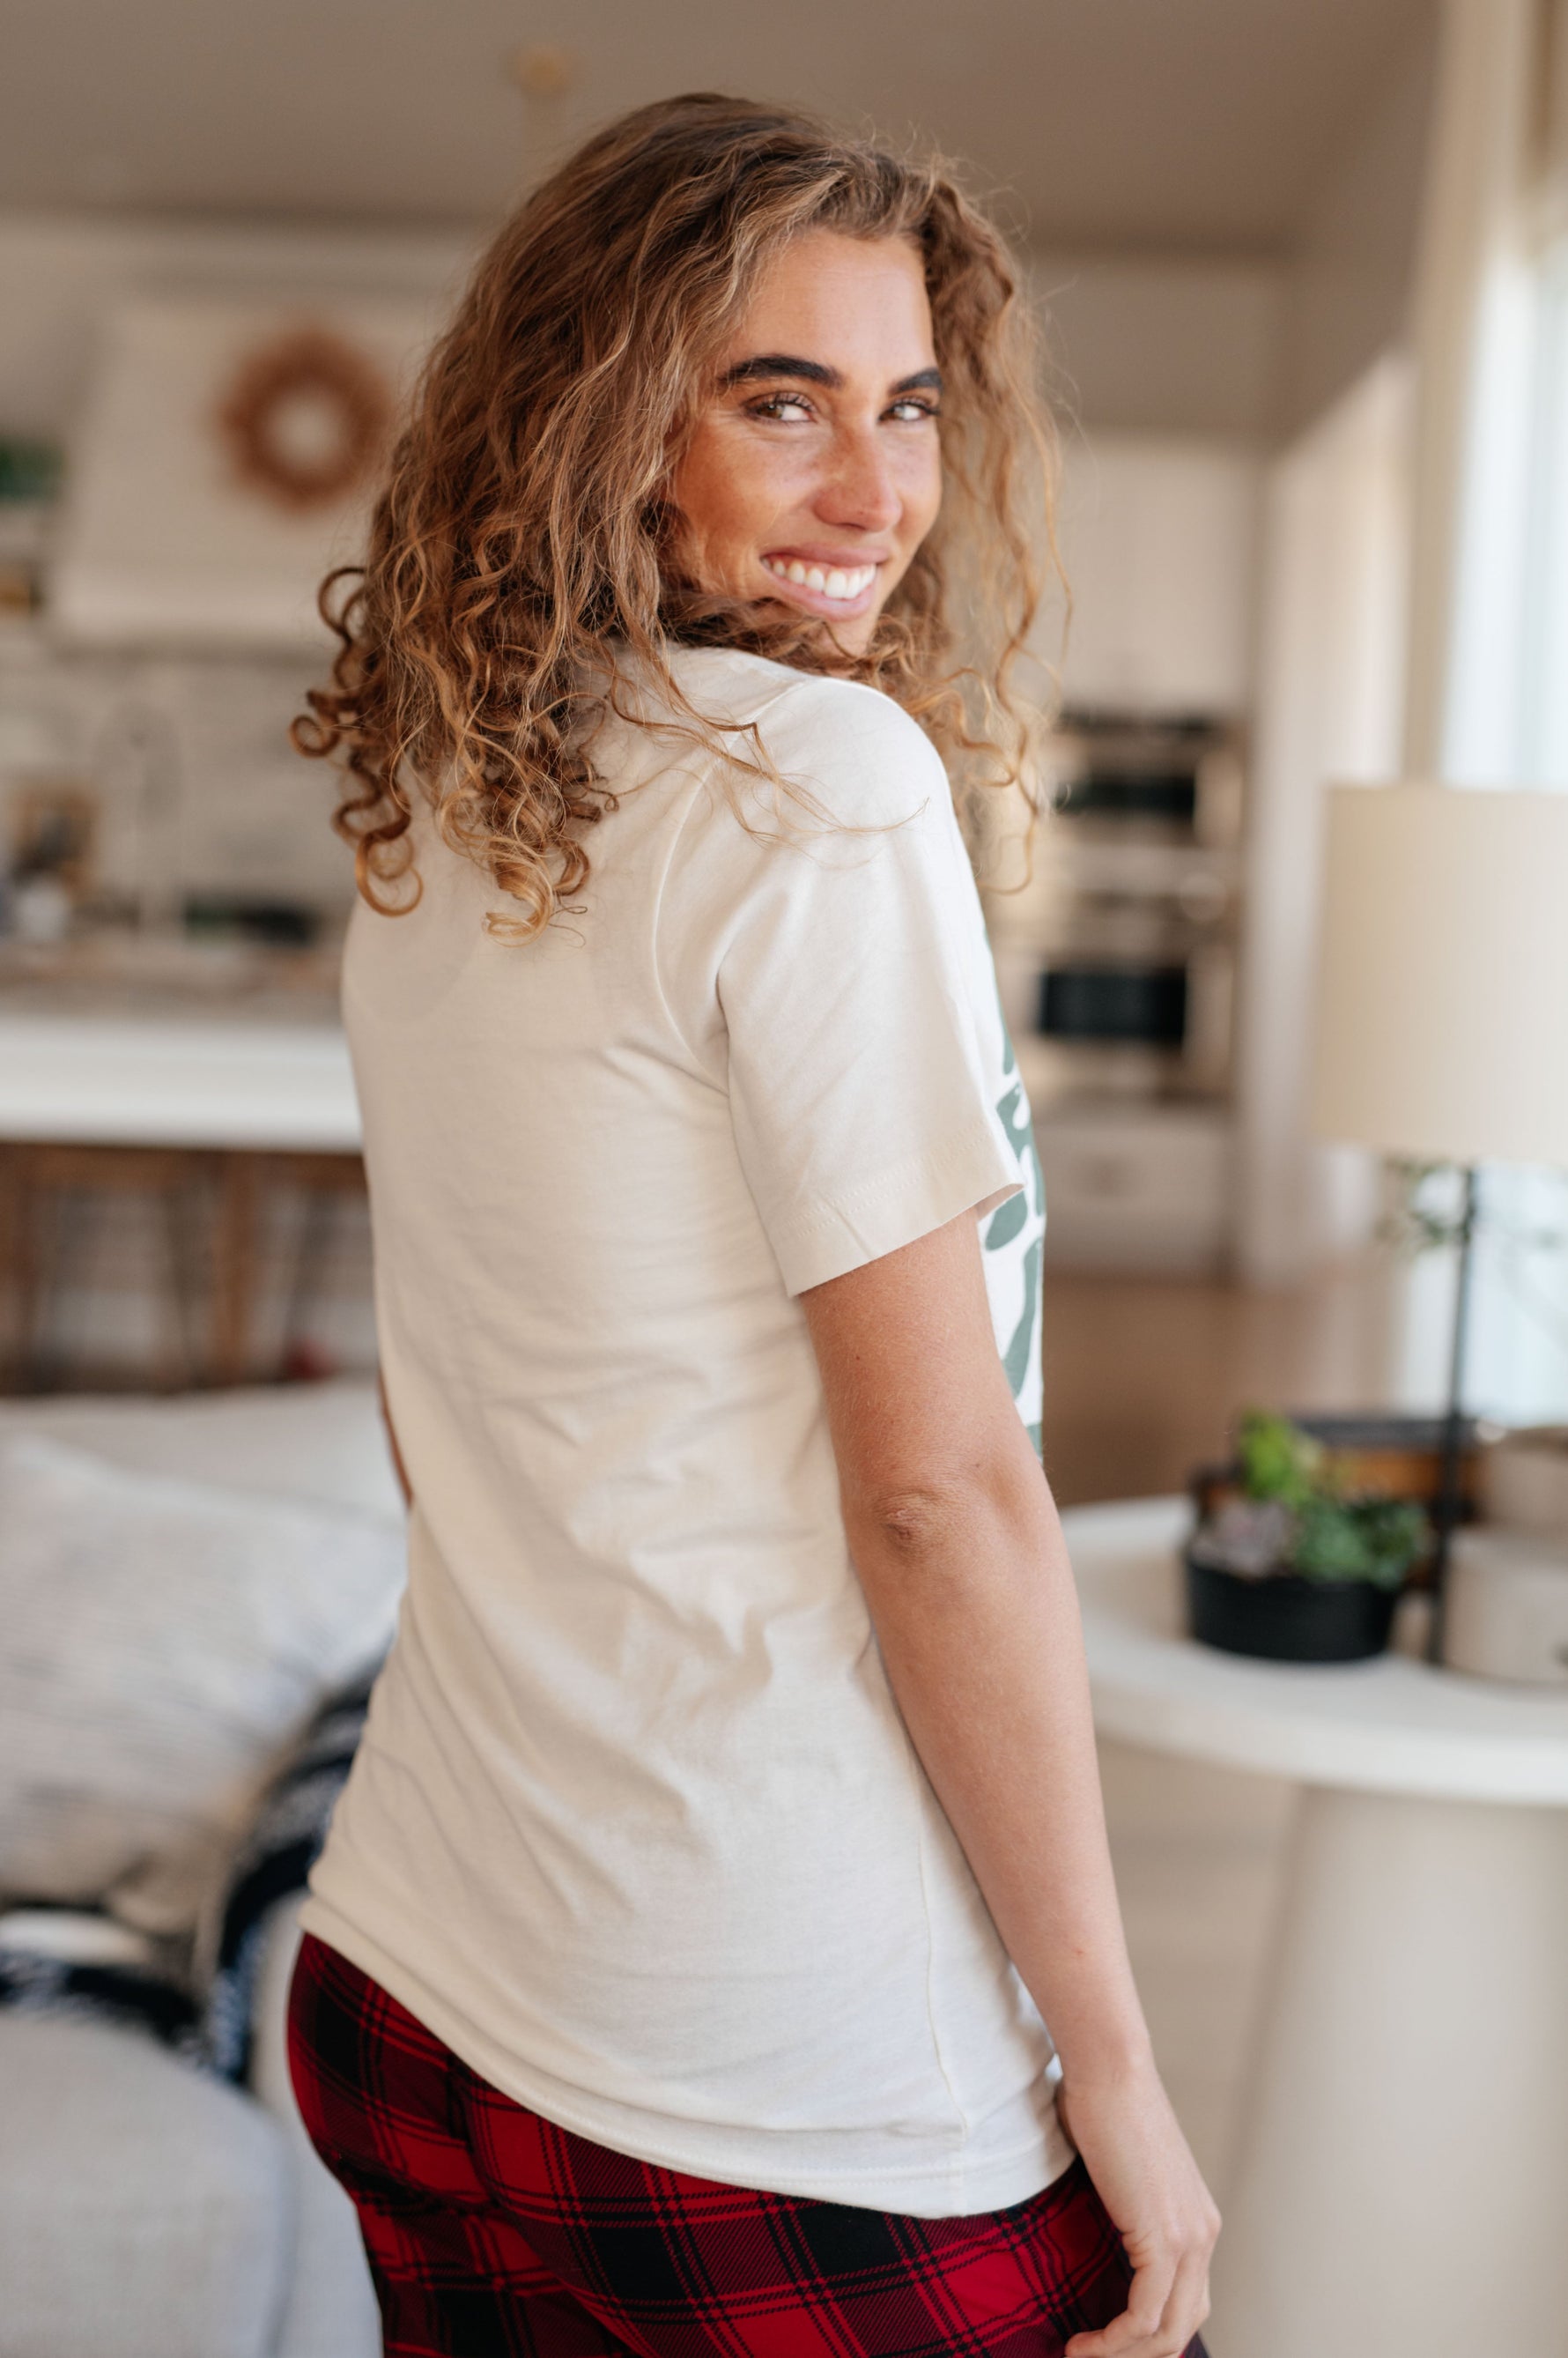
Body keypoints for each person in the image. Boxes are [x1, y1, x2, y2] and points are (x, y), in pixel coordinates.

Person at [286, 93, 1218, 2358]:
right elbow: (934, 1495)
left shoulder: (447, 796)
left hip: (415, 1972)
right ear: (604, 425)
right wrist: (1109, 2058)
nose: (875, 489)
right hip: (767, 2066)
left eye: (908, 406)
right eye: (778, 401)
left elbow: (443, 1420)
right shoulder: (814, 786)